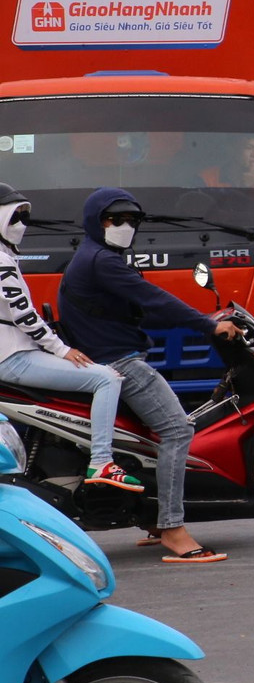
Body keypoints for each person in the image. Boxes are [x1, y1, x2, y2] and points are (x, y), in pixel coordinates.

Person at [58, 187, 242, 564]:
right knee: (178, 429)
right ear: (96, 221)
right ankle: (173, 529)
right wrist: (208, 325)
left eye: (131, 220)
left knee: (156, 434)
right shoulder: (102, 261)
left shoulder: (97, 257)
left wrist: (203, 320)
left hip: (107, 356)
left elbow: (143, 311)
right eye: (114, 219)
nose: (124, 226)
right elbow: (153, 298)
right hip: (120, 362)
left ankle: (158, 522)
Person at [0, 184, 142, 493]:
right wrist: (62, 350)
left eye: (25, 217)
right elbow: (24, 316)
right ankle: (102, 461)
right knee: (106, 379)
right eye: (14, 217)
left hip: (14, 353)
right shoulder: (2, 262)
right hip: (13, 357)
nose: (21, 226)